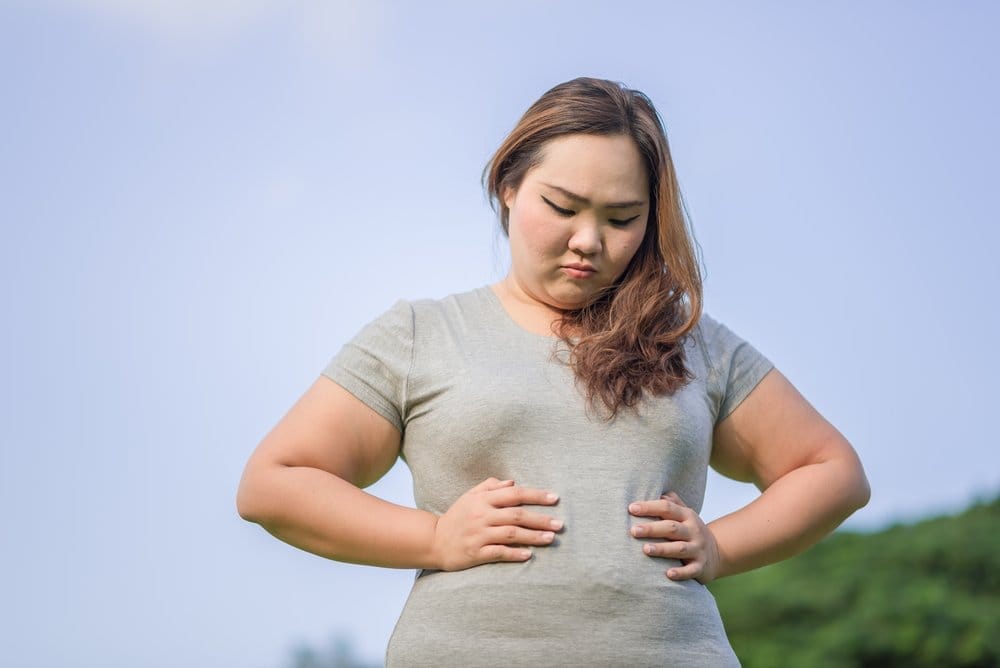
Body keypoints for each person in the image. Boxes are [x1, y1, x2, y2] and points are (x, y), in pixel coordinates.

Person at [236, 77, 870, 667]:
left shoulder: (689, 342)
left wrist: (723, 546)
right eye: (563, 206)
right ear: (509, 187)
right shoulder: (420, 335)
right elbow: (275, 484)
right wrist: (434, 539)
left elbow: (833, 471)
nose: (589, 240)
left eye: (622, 218)